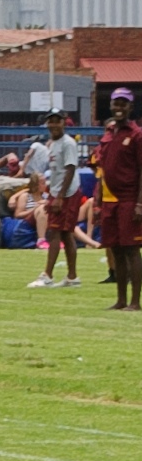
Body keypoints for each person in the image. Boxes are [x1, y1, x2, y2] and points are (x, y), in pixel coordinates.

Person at [95, 87, 142, 310]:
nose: (119, 107)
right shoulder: (109, 133)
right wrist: (98, 201)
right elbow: (102, 170)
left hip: (129, 198)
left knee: (131, 249)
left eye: (124, 103)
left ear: (130, 107)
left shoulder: (136, 135)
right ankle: (121, 299)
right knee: (116, 249)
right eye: (116, 103)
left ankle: (135, 301)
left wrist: (140, 203)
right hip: (109, 200)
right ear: (111, 105)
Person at [27, 110, 83, 288]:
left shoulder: (68, 143)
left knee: (54, 232)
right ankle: (72, 277)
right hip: (58, 192)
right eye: (50, 121)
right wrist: (52, 193)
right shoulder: (52, 144)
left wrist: (59, 196)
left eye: (57, 121)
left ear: (64, 123)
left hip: (67, 194)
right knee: (65, 234)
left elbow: (70, 169)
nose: (54, 125)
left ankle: (48, 275)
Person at [8, 174, 48, 247]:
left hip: (45, 220)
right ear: (36, 185)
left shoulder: (46, 196)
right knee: (42, 209)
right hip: (28, 221)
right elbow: (17, 215)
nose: (45, 185)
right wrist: (34, 209)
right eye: (43, 183)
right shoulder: (26, 196)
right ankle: (41, 240)